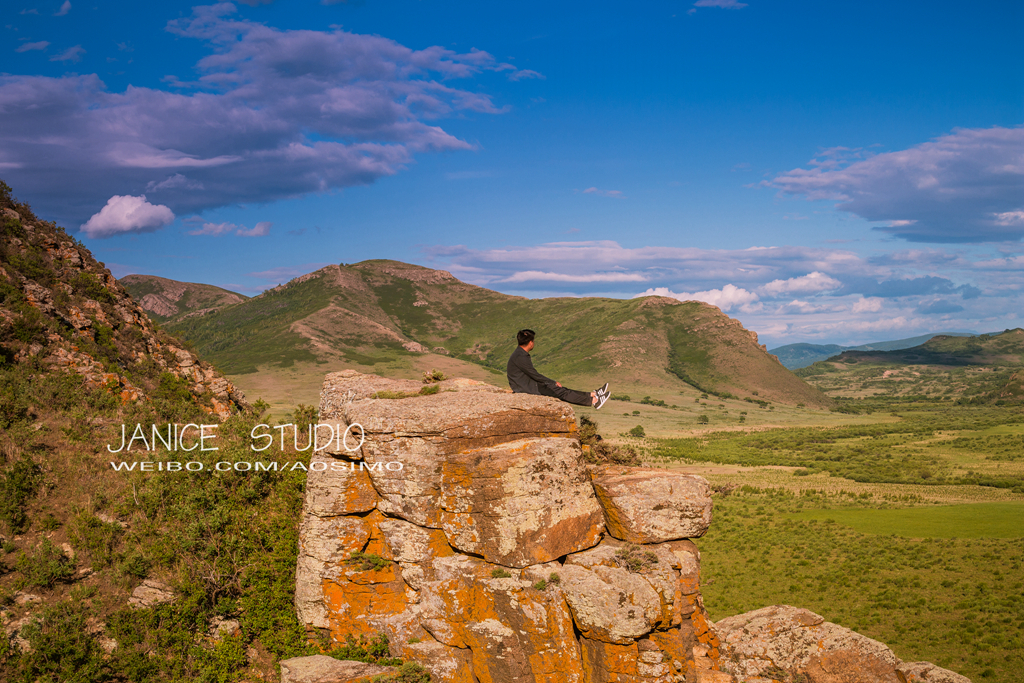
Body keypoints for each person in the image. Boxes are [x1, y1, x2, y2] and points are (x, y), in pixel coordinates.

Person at [507, 329, 610, 408]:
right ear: (530, 342)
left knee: (562, 389)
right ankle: (594, 401)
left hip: (528, 385)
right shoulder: (520, 356)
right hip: (527, 388)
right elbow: (534, 374)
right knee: (561, 392)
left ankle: (593, 394)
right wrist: (552, 382)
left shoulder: (519, 354)